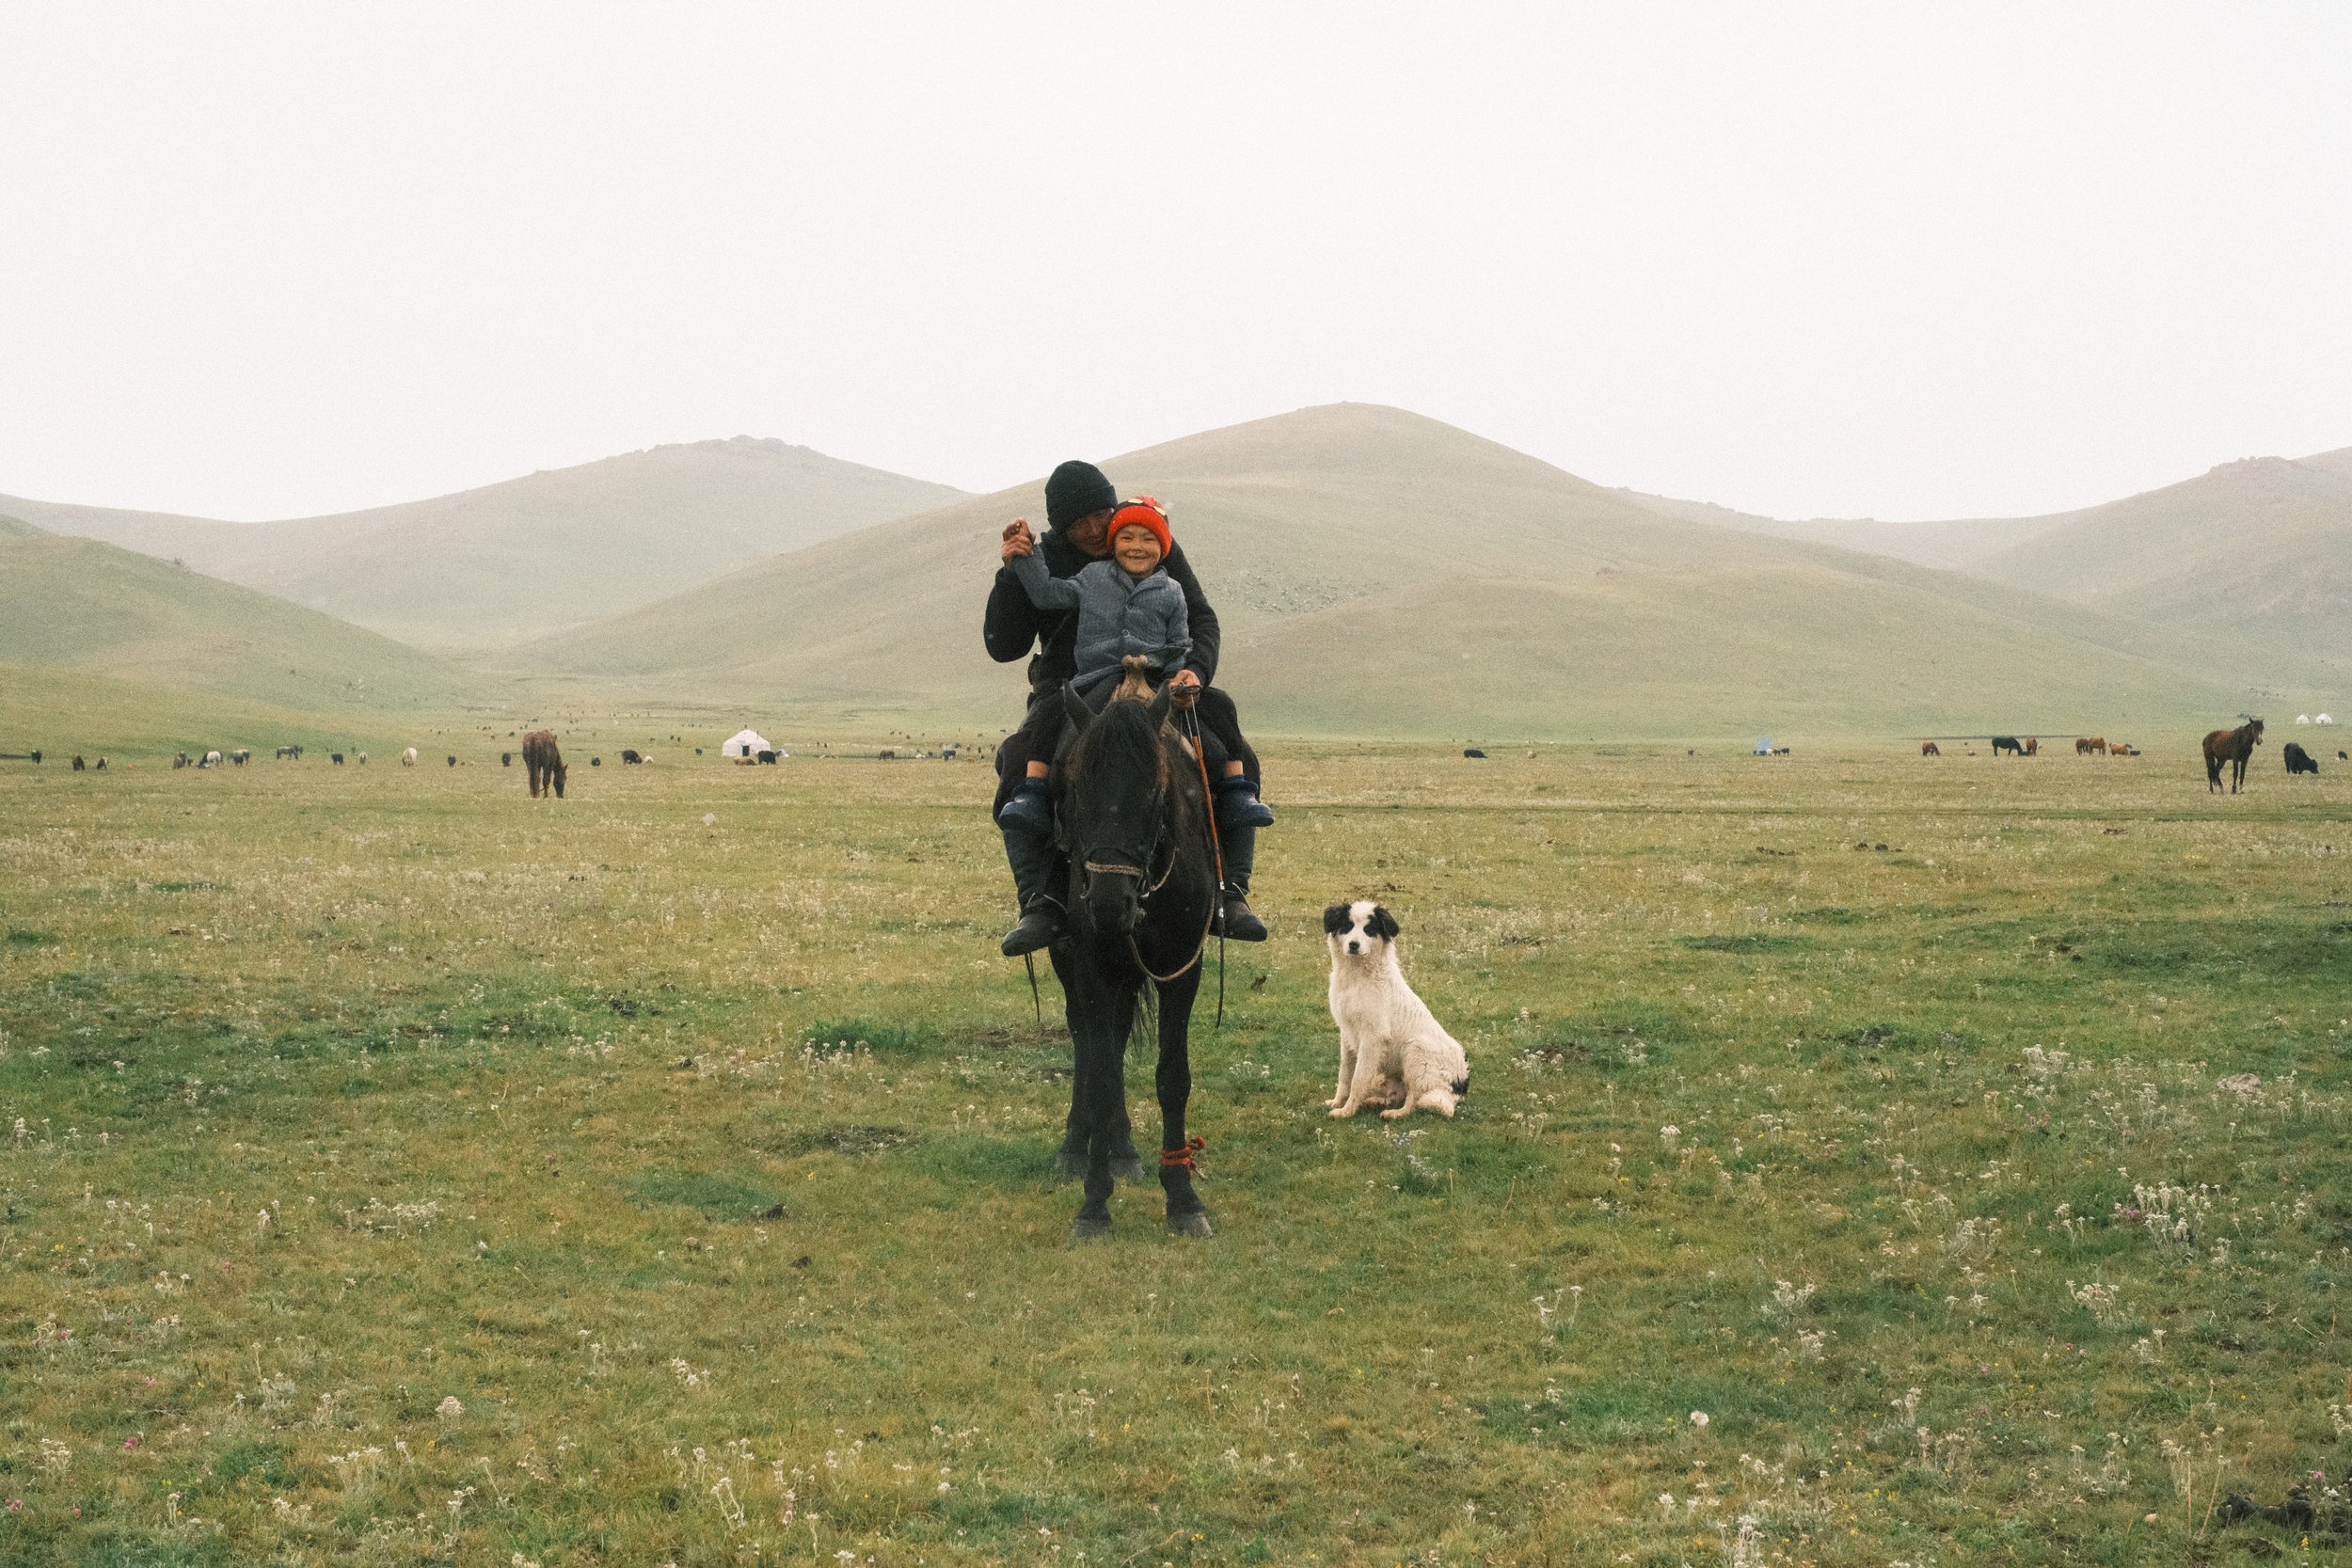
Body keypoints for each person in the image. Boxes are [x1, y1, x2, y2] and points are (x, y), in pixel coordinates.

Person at [985, 461, 1269, 956]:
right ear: (1060, 526)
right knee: (1019, 761)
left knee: (1229, 744)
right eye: (1081, 523)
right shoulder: (1046, 557)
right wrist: (1013, 574)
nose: (1096, 530)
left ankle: (1230, 892)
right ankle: (1041, 902)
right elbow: (1004, 646)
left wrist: (1195, 672)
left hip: (1162, 680)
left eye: (1101, 514)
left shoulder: (1146, 539)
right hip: (1074, 684)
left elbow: (1199, 620)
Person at [998, 495, 1272, 833]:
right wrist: (1025, 556)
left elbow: (1182, 641)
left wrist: (1186, 674)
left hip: (1159, 682)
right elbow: (1047, 594)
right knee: (1053, 708)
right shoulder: (1092, 577)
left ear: (1164, 546)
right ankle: (1032, 792)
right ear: (1113, 545)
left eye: (1148, 539)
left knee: (1221, 707)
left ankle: (1237, 792)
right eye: (1126, 538)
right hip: (1097, 679)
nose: (1136, 547)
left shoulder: (1173, 590)